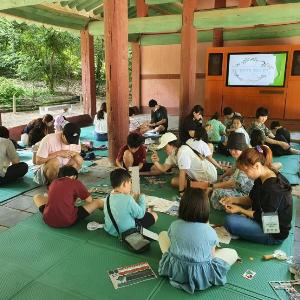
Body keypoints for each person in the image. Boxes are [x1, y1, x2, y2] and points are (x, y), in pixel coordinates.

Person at [158, 188, 238, 294]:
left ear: (182, 208)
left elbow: (172, 243)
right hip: (200, 275)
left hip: (177, 269)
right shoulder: (209, 231)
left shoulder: (174, 225)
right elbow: (212, 257)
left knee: (162, 235)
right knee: (233, 253)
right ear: (205, 209)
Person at [221, 145, 293, 245]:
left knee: (230, 221)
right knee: (234, 216)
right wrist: (233, 200)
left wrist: (241, 210)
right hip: (264, 219)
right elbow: (251, 199)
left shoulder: (272, 189)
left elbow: (268, 220)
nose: (245, 174)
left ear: (257, 166)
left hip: (273, 232)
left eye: (246, 171)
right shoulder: (262, 177)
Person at [33, 166, 104, 228]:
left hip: (47, 219)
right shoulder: (75, 182)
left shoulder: (53, 182)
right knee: (97, 202)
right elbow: (90, 200)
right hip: (67, 220)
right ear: (74, 176)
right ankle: (108, 210)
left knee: (37, 196)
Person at [151, 132, 217, 195]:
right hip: (198, 176)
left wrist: (181, 192)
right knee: (174, 181)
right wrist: (155, 162)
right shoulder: (172, 154)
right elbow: (163, 168)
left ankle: (206, 185)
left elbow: (182, 173)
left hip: (209, 175)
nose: (164, 150)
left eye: (165, 147)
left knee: (177, 181)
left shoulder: (182, 151)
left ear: (172, 144)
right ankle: (202, 185)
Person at [104, 168, 158, 237]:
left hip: (110, 230)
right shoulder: (128, 199)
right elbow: (140, 215)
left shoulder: (108, 197)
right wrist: (142, 198)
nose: (131, 185)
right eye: (130, 182)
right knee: (154, 215)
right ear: (124, 184)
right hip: (126, 232)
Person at [210, 133, 253, 210]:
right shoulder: (241, 156)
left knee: (217, 192)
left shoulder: (246, 161)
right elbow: (233, 168)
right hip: (239, 185)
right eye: (231, 149)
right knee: (224, 179)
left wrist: (212, 186)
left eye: (236, 149)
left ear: (242, 148)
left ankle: (241, 207)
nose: (232, 152)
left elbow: (233, 184)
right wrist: (220, 178)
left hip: (247, 194)